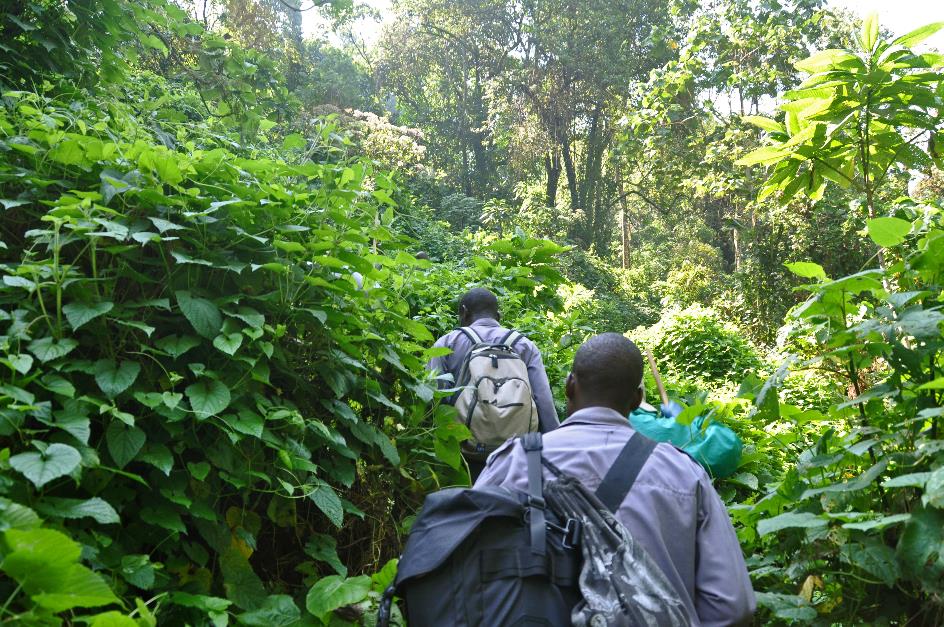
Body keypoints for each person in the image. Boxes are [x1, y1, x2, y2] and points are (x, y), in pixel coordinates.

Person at [475, 333, 755, 626]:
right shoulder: (685, 473)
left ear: (570, 385)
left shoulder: (514, 460)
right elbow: (731, 606)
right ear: (636, 400)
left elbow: (468, 571)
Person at [427, 287, 559, 479]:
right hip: (517, 457)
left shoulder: (447, 344)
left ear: (463, 312)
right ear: (499, 315)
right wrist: (554, 449)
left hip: (463, 457)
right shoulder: (525, 346)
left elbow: (435, 400)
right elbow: (543, 401)